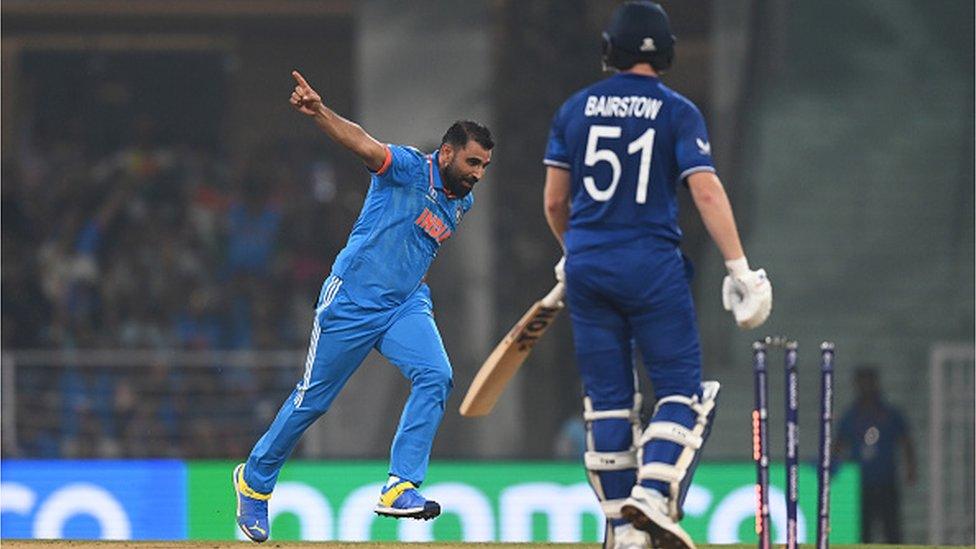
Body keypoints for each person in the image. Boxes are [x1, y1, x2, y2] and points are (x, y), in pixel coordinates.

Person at [541, 3, 772, 548]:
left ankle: (623, 532)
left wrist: (572, 250)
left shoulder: (574, 110)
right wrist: (741, 269)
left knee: (608, 402)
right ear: (665, 54)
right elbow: (706, 189)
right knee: (683, 392)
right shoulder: (677, 110)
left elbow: (555, 202)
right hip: (650, 265)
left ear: (609, 50)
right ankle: (653, 493)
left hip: (590, 269)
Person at [232, 70, 494, 543]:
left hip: (405, 305)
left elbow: (415, 246)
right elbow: (364, 144)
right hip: (351, 301)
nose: (477, 174)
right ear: (448, 152)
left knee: (436, 374)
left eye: (484, 168)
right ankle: (254, 482)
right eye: (473, 162)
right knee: (313, 402)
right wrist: (319, 112)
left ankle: (400, 486)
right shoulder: (411, 167)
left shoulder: (461, 202)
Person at [835, 366, 916, 544]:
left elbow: (906, 442)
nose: (866, 387)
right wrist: (835, 471)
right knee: (863, 532)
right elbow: (838, 445)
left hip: (886, 481)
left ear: (876, 384)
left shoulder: (890, 414)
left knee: (892, 530)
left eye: (869, 382)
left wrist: (911, 468)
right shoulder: (851, 416)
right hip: (860, 483)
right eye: (862, 382)